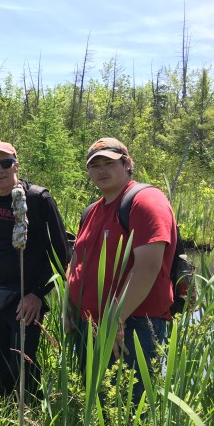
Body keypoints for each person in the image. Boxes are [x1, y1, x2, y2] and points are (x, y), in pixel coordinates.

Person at [67, 137, 177, 406]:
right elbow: (76, 262)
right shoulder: (91, 211)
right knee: (97, 409)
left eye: (110, 163)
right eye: (95, 165)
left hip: (132, 326)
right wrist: (67, 308)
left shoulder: (145, 200)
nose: (102, 170)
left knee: (128, 414)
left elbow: (148, 266)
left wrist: (114, 320)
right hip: (91, 324)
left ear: (128, 164)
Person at [0, 141, 70, 399]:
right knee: (0, 361)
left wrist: (38, 294)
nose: (0, 169)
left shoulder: (38, 199)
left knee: (24, 364)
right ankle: (7, 414)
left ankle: (32, 415)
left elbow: (61, 254)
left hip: (25, 300)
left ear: (16, 164)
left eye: (6, 163)